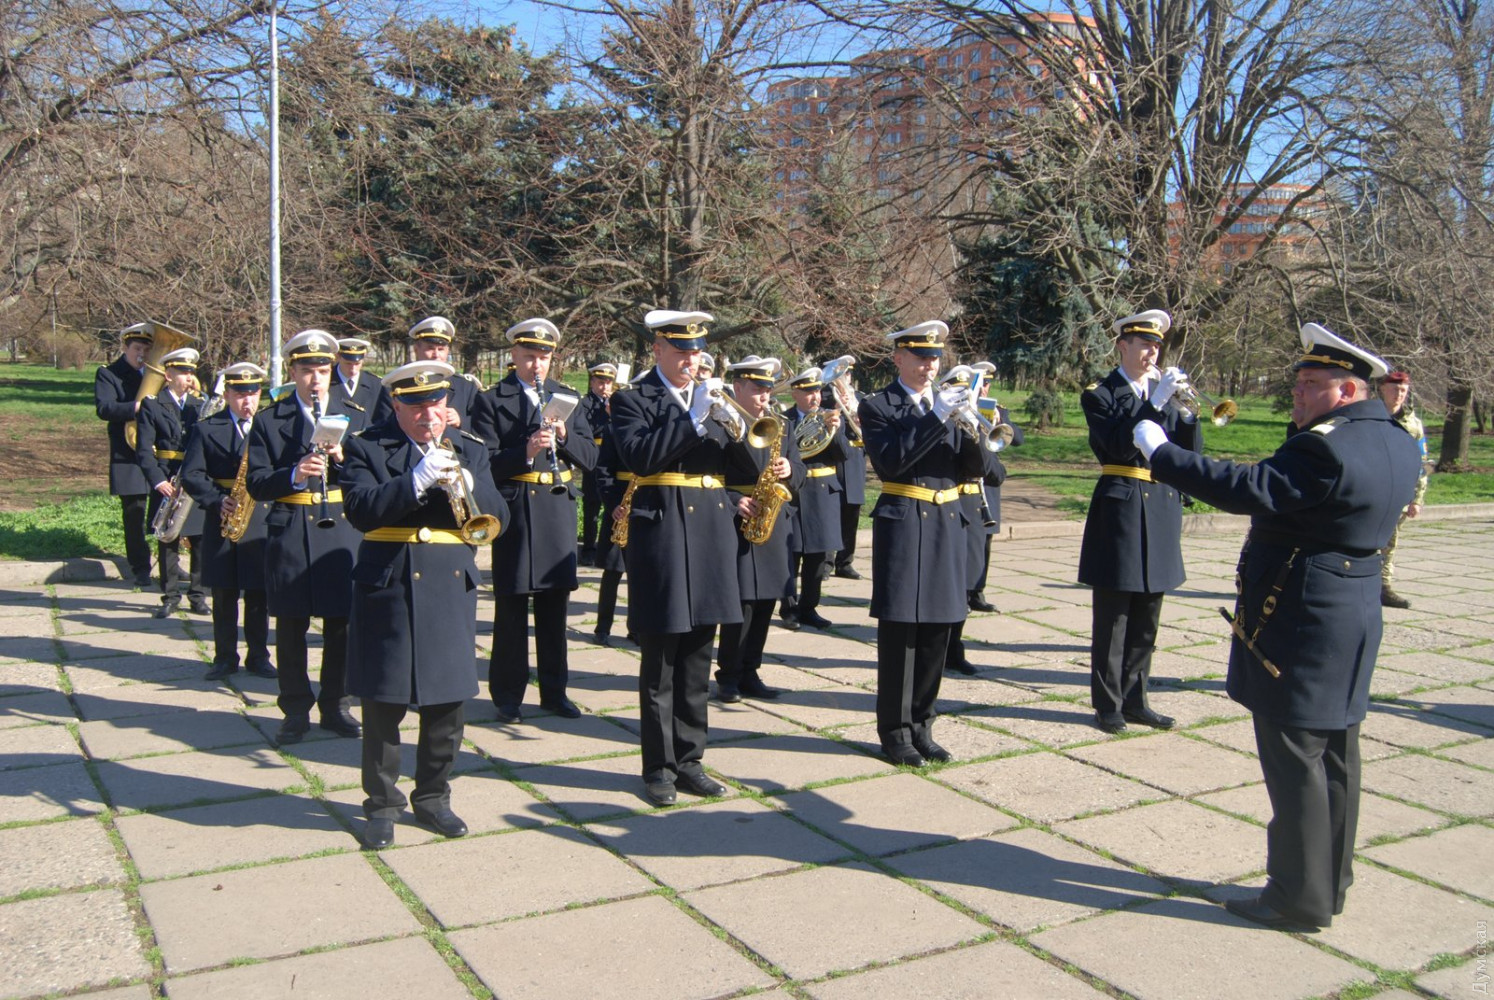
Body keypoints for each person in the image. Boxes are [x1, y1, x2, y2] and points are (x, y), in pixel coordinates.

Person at [1131, 322, 1421, 932]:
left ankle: (1295, 897)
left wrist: (1163, 454)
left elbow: (1252, 489)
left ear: (1347, 390)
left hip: (1305, 615)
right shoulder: (1394, 438)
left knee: (1295, 759)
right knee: (1336, 754)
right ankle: (1328, 883)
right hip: (1353, 607)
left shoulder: (1326, 446)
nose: (1296, 394)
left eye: (1310, 385)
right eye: (1297, 384)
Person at [341, 360, 508, 849]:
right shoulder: (366, 446)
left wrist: (473, 487)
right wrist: (414, 481)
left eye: (435, 404)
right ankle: (382, 804)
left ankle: (434, 797)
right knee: (383, 702)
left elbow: (500, 518)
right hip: (388, 582)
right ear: (396, 406)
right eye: (415, 406)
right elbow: (360, 510)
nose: (428, 415)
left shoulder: (470, 448)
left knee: (447, 702)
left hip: (448, 582)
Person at [610, 308, 747, 805]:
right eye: (682, 351)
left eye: (697, 352)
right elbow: (640, 457)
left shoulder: (713, 399)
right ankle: (659, 769)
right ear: (658, 350)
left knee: (697, 657)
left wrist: (738, 430)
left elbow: (744, 471)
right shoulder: (631, 399)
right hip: (663, 532)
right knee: (661, 661)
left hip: (711, 533)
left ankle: (691, 762)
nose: (692, 361)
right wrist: (693, 421)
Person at [859, 321, 990, 766]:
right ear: (898, 358)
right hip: (904, 521)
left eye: (934, 358)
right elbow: (892, 463)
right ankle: (895, 732)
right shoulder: (878, 406)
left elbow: (981, 469)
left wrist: (971, 429)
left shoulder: (948, 403)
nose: (929, 365)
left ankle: (922, 726)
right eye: (920, 357)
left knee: (939, 630)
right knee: (902, 632)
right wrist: (935, 418)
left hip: (948, 523)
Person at [1078, 309, 1200, 734]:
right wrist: (1156, 403)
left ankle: (1136, 699)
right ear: (1122, 346)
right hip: (1123, 505)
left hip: (1161, 504)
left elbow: (1190, 454)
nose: (1152, 353)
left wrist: (1188, 416)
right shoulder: (1101, 394)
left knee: (1148, 615)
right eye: (1144, 345)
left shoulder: (1160, 391)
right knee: (1114, 617)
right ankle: (1107, 704)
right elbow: (1118, 446)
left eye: (1156, 347)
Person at [471, 318, 596, 722]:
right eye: (529, 356)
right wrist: (525, 451)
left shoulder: (567, 396)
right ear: (514, 354)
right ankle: (507, 696)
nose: (537, 364)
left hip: (558, 508)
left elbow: (591, 459)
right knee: (511, 607)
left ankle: (555, 692)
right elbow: (484, 463)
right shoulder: (492, 400)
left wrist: (565, 437)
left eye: (543, 357)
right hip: (519, 509)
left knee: (554, 606)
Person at [246, 329, 363, 746]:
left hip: (340, 526)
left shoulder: (355, 415)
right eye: (307, 371)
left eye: (323, 371)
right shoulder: (269, 419)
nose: (316, 380)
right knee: (291, 623)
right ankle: (295, 709)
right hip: (292, 524)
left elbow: (375, 473)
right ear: (292, 372)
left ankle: (336, 704)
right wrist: (294, 474)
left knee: (341, 623)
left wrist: (344, 459)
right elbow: (256, 483)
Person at [716, 356, 805, 702]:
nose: (764, 396)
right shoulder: (722, 421)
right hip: (738, 520)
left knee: (767, 600)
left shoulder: (781, 424)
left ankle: (750, 670)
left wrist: (790, 469)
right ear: (738, 387)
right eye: (757, 389)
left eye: (767, 389)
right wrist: (732, 499)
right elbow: (706, 476)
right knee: (740, 604)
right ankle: (728, 675)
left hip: (772, 519)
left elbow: (801, 469)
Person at [180, 362, 275, 681]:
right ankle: (224, 657)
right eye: (240, 394)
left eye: (253, 394)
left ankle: (259, 656)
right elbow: (191, 474)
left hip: (258, 514)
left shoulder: (267, 427)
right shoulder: (206, 428)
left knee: (259, 593)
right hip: (222, 514)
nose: (248, 401)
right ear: (228, 394)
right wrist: (217, 499)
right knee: (223, 593)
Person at [939, 363, 1009, 675]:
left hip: (973, 508)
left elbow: (996, 474)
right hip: (947, 506)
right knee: (946, 585)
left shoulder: (974, 426)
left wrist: (978, 436)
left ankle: (954, 649)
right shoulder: (939, 423)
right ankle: (939, 648)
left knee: (967, 584)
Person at [135, 346, 208, 618]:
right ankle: (170, 596)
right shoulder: (152, 405)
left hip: (194, 478)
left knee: (199, 540)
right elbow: (144, 450)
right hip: (167, 478)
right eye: (182, 372)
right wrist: (158, 482)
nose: (189, 377)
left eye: (191, 372)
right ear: (168, 375)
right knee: (167, 539)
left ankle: (198, 596)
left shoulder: (200, 406)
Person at [780, 366, 848, 630]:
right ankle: (788, 609)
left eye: (817, 391)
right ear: (795, 393)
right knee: (791, 553)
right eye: (808, 392)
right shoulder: (783, 420)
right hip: (794, 492)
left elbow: (843, 455)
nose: (815, 397)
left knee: (818, 556)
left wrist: (836, 431)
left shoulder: (830, 417)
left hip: (823, 493)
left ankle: (809, 607)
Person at [95, 323, 156, 587]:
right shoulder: (109, 373)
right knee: (134, 511)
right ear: (125, 347)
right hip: (127, 451)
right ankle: (140, 566)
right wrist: (136, 407)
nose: (142, 354)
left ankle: (169, 564)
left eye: (146, 349)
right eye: (137, 348)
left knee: (164, 509)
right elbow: (104, 408)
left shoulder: (157, 373)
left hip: (156, 449)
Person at [967, 368, 1024, 613]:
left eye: (987, 384)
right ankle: (962, 591)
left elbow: (1018, 439)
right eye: (980, 384)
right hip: (967, 481)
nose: (984, 389)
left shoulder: (998, 408)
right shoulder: (961, 408)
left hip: (988, 483)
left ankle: (978, 592)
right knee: (967, 541)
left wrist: (1002, 421)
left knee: (986, 540)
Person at [370, 316, 482, 428]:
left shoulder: (466, 387)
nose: (436, 355)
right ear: (416, 349)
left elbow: (481, 426)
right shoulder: (395, 385)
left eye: (441, 349)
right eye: (430, 348)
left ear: (447, 351)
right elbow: (381, 426)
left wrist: (461, 422)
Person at [1376, 370, 1427, 609]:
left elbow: (1420, 463)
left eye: (1403, 390)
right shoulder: (1369, 417)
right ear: (1383, 389)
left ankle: (1383, 587)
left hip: (1398, 493)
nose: (1399, 394)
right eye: (1395, 389)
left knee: (1389, 542)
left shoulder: (1413, 425)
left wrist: (1417, 498)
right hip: (1371, 490)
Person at [831, 359, 868, 580]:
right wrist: (837, 408)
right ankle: (825, 562)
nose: (845, 379)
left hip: (855, 457)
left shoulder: (861, 398)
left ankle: (845, 562)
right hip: (834, 458)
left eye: (847, 374)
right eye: (840, 374)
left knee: (851, 511)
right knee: (831, 510)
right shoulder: (827, 397)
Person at [579, 362, 618, 566]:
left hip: (613, 458)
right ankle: (588, 548)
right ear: (592, 382)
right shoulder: (585, 404)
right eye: (600, 382)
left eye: (608, 383)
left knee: (613, 502)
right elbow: (585, 430)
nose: (605, 387)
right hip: (594, 456)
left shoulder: (616, 402)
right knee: (592, 505)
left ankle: (611, 545)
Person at [332, 338, 382, 430]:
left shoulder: (376, 384)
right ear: (338, 356)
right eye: (348, 363)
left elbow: (383, 421)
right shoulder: (325, 381)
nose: (353, 370)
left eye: (357, 364)